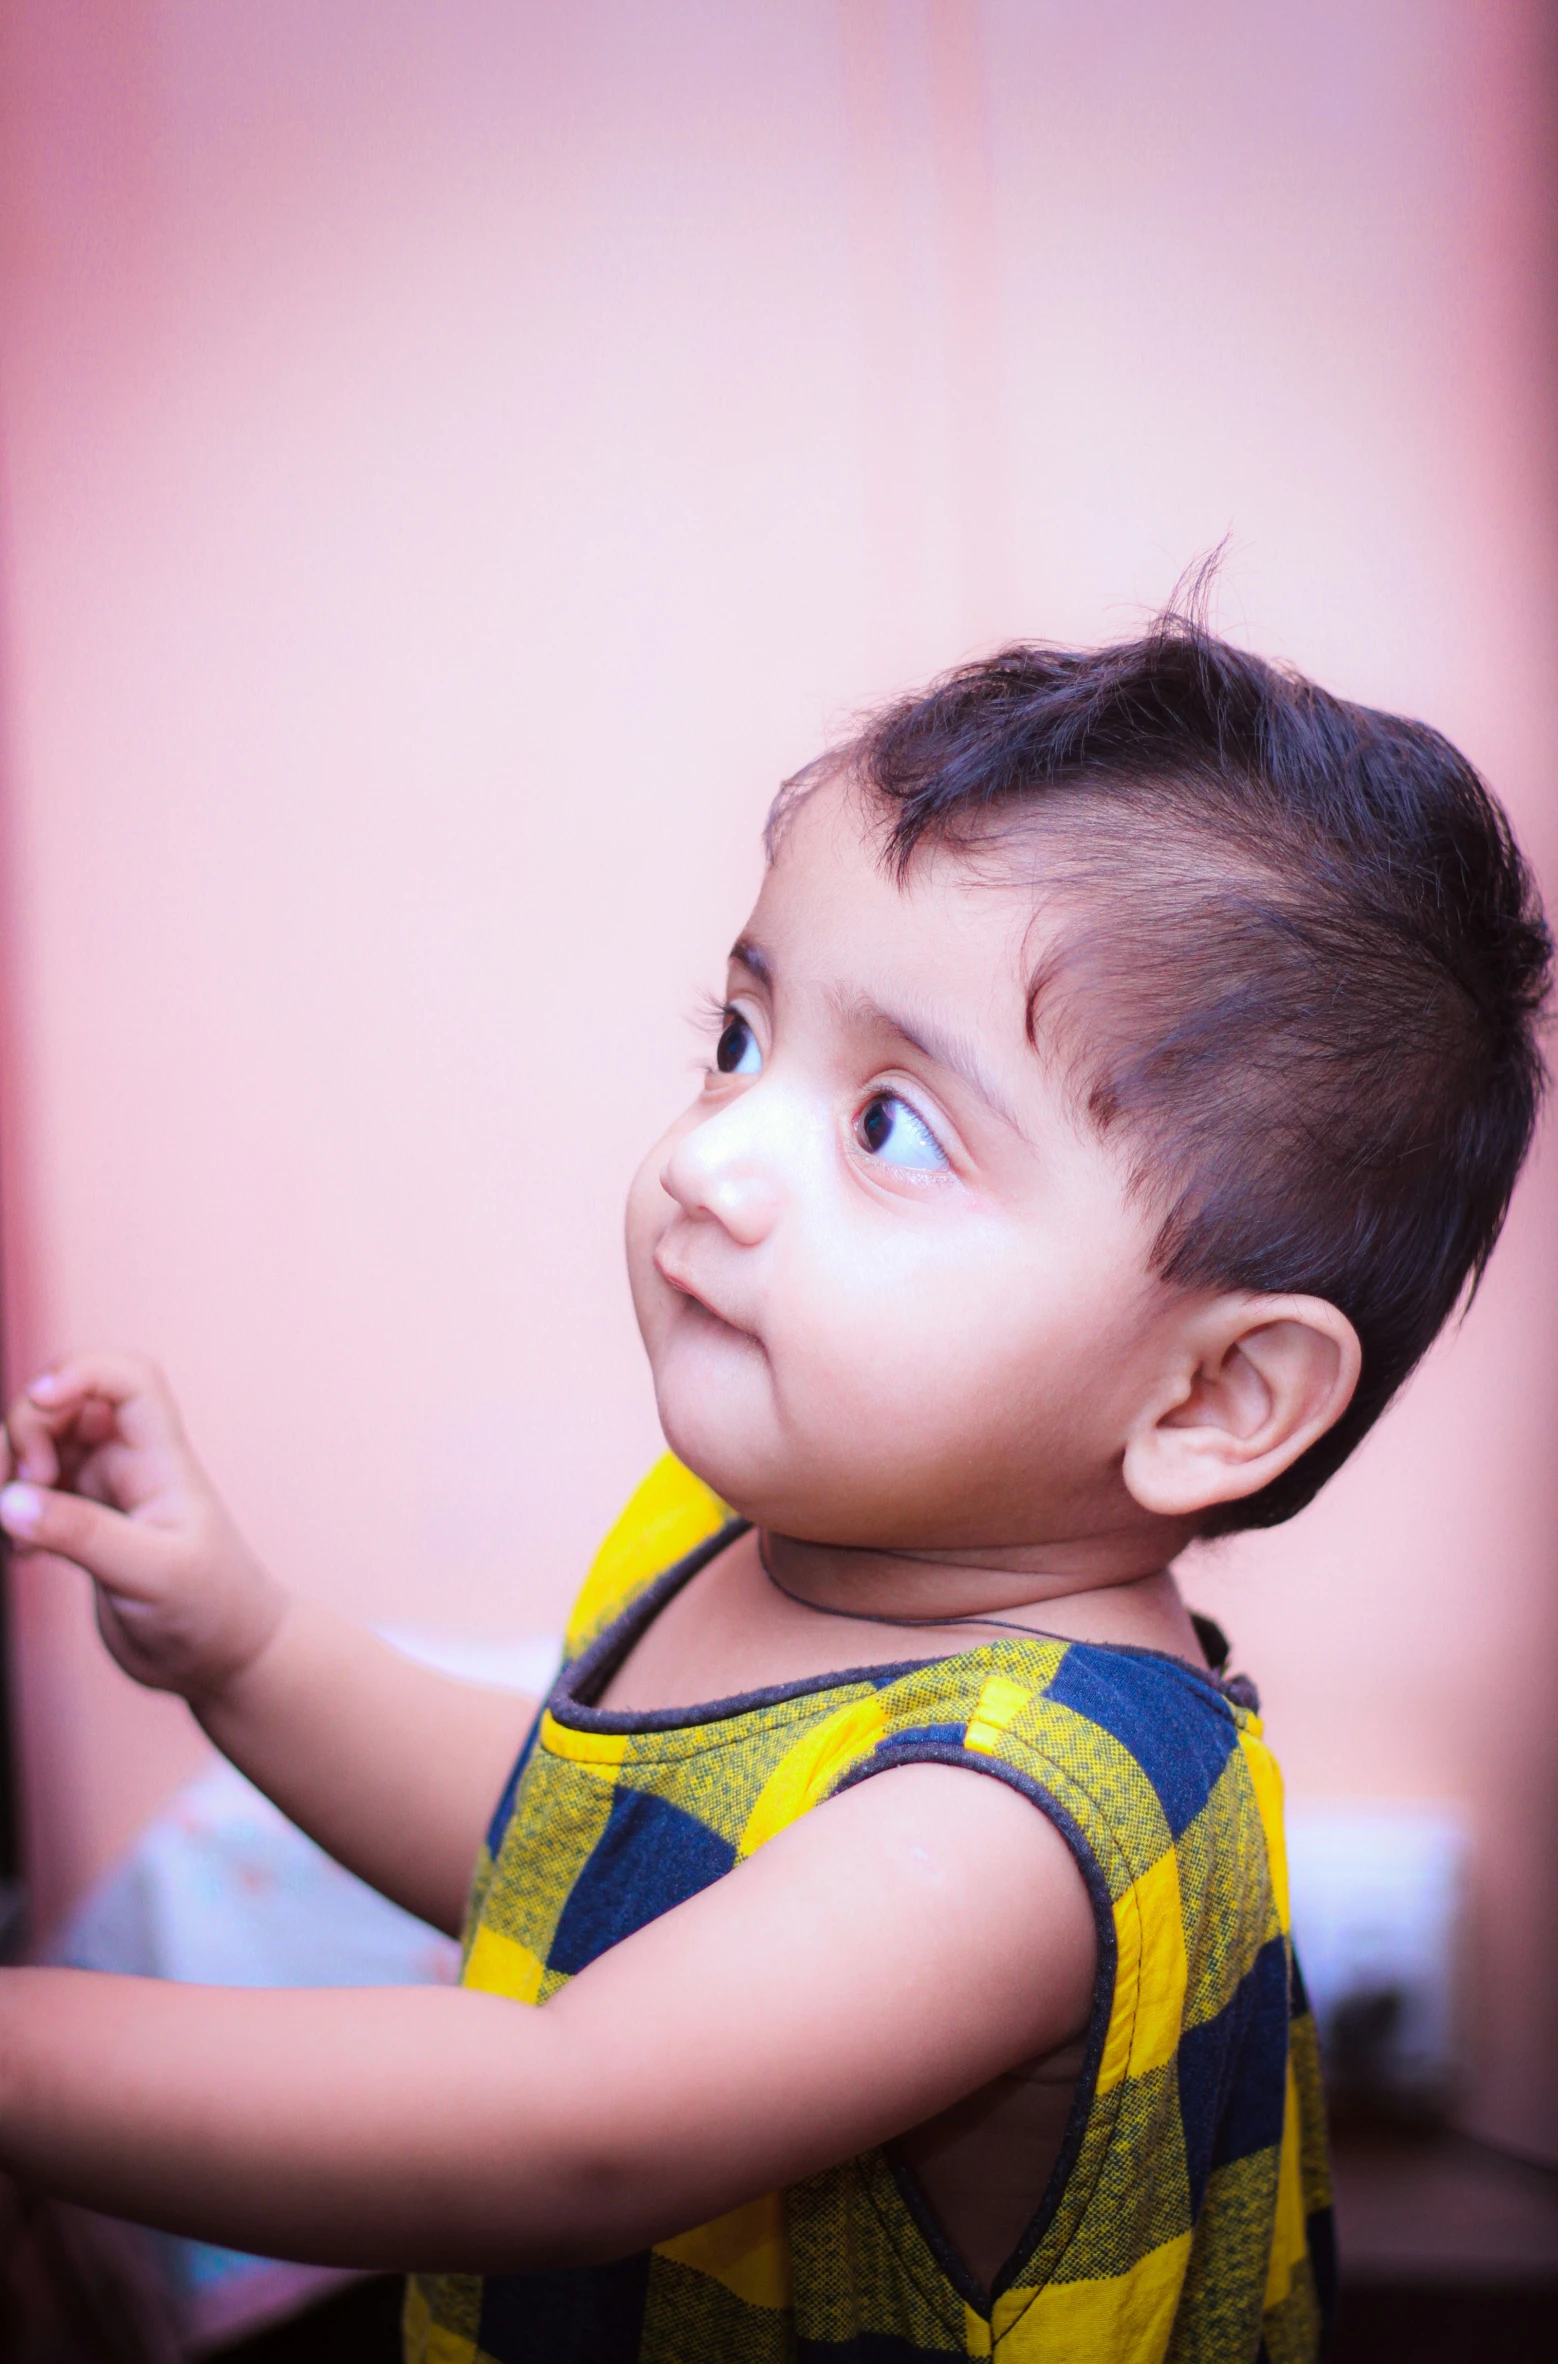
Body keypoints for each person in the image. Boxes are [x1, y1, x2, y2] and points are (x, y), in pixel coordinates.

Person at [0, 609, 1548, 2364]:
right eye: (738, 1040)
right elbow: (562, 1857)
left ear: (1212, 1394)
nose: (713, 1161)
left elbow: (561, 2122)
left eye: (892, 1125)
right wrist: (244, 1645)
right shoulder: (756, 1533)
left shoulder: (1014, 1821)